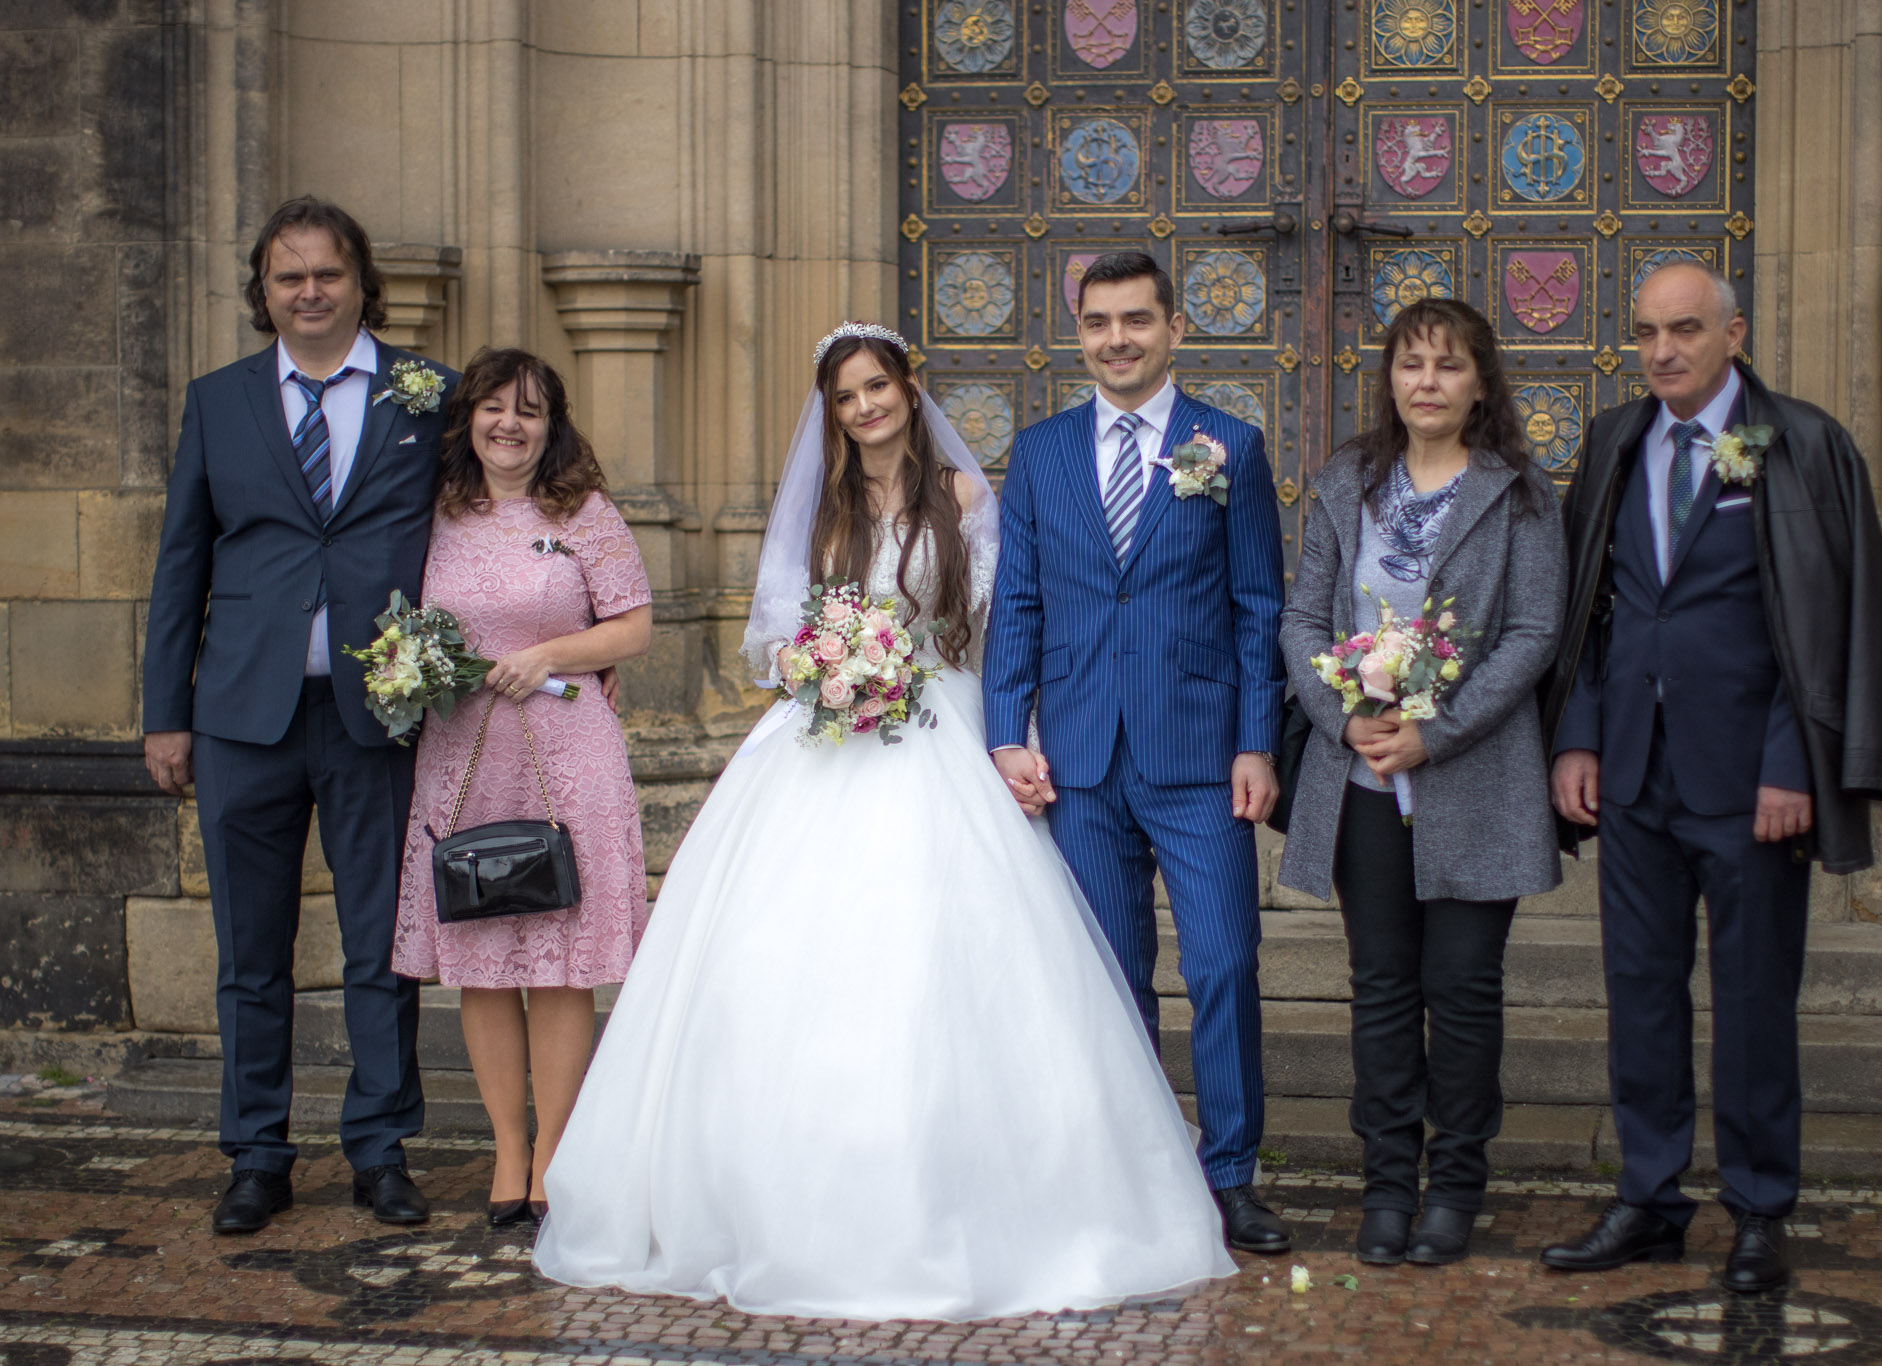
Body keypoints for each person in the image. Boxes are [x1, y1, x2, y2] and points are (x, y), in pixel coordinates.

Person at [530, 322, 1235, 1320]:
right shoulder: (824, 509)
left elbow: (1003, 626)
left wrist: (1013, 733)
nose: (865, 407)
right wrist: (826, 664)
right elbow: (777, 636)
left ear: (908, 387)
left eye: (876, 387)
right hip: (828, 736)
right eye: (846, 396)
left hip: (941, 721)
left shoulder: (965, 498)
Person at [1540, 261, 1882, 1291]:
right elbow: (1593, 604)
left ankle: (1757, 1207)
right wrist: (1577, 737)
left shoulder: (1802, 444)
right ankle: (1648, 1199)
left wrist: (1794, 763)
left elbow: (1821, 617)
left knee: (1752, 1000)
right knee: (1639, 994)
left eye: (1685, 330)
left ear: (1733, 334)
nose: (1662, 351)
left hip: (1752, 781)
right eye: (1646, 332)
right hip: (1632, 773)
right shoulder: (1616, 440)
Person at [141, 197, 454, 1233]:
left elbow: (482, 532)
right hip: (241, 715)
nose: (310, 291)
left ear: (362, 283)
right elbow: (181, 563)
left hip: (378, 715)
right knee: (250, 953)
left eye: (327, 273)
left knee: (380, 946)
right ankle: (256, 1154)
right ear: (264, 291)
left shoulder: (430, 395)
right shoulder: (218, 401)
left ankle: (380, 1149)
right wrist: (165, 713)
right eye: (289, 276)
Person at [982, 251, 1291, 1254]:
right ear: (1079, 333)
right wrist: (1003, 731)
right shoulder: (1040, 453)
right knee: (1111, 975)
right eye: (1098, 322)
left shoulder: (1229, 445)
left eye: (1136, 319)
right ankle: (1135, 1169)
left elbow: (1257, 607)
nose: (1116, 339)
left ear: (1173, 328)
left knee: (1223, 962)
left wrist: (1256, 742)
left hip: (1199, 751)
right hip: (1078, 758)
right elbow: (1017, 602)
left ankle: (1231, 1172)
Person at [1276, 298, 1566, 1267]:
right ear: (1390, 379)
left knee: (1464, 988)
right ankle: (1388, 1186)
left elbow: (1532, 633)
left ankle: (1455, 1188)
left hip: (1474, 777)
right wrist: (1342, 717)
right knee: (1382, 988)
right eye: (1410, 364)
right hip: (1361, 778)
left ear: (1480, 382)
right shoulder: (1344, 483)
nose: (1427, 382)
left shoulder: (1519, 493)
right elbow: (1301, 620)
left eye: (1448, 365)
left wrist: (1434, 733)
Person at [389, 348, 652, 1226]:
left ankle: (554, 1154)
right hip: (463, 753)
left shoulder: (584, 512)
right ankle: (507, 1148)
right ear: (467, 418)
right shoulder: (433, 512)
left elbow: (634, 627)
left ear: (552, 425)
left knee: (563, 961)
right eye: (495, 407)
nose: (511, 424)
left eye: (530, 411)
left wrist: (550, 654)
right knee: (485, 959)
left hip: (566, 751)